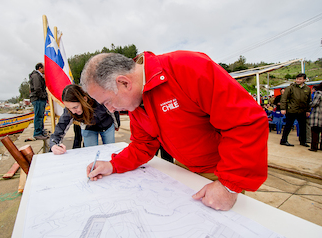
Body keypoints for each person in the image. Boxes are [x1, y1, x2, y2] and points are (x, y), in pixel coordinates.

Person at [81, 51, 268, 211]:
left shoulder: (187, 68)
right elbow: (143, 144)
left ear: (123, 83)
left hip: (221, 171)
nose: (111, 109)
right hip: (184, 168)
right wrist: (113, 165)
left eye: (107, 102)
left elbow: (245, 122)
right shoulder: (136, 103)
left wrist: (229, 185)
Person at [50, 84, 120, 155]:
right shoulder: (70, 110)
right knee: (90, 153)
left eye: (75, 107)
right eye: (69, 108)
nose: (73, 112)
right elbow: (61, 126)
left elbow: (113, 110)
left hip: (107, 125)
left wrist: (117, 124)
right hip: (88, 128)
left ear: (84, 99)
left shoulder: (98, 98)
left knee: (110, 150)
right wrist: (54, 143)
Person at [280, 73, 311, 147]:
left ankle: (303, 141)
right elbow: (284, 98)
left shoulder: (307, 89)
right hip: (292, 110)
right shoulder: (291, 87)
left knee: (303, 127)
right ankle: (284, 140)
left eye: (300, 79)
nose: (298, 80)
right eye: (297, 79)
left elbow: (309, 100)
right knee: (288, 125)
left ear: (304, 80)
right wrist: (283, 108)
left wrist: (308, 110)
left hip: (302, 110)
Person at [29, 63, 48, 140]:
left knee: (41, 116)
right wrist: (44, 96)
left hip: (39, 98)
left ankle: (40, 130)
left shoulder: (38, 76)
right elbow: (37, 89)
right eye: (44, 68)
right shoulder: (36, 76)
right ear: (40, 68)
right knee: (38, 116)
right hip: (38, 99)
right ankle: (37, 133)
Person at [309, 83, 322, 151]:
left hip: (317, 115)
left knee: (315, 131)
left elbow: (314, 103)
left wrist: (309, 104)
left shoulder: (319, 93)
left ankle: (314, 147)